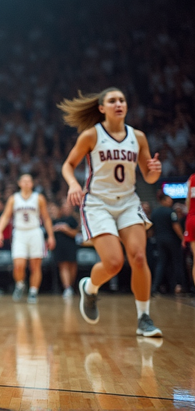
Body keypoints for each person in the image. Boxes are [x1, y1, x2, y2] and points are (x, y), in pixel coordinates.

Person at [59, 88, 162, 337]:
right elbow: (68, 165)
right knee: (114, 263)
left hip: (128, 201)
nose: (119, 103)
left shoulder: (138, 137)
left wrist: (155, 171)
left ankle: (144, 317)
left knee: (138, 257)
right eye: (112, 100)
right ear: (102, 108)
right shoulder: (91, 135)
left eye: (122, 100)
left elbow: (148, 175)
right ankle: (90, 288)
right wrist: (73, 183)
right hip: (97, 203)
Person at [0, 174, 56, 303]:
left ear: (32, 184)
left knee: (35, 266)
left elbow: (46, 218)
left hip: (35, 232)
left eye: (29, 181)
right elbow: (5, 216)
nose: (27, 183)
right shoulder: (13, 199)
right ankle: (20, 285)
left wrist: (50, 236)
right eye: (24, 181)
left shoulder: (38, 198)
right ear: (19, 183)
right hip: (19, 233)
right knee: (18, 265)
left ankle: (33, 291)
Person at [150, 193, 184, 295]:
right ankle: (180, 286)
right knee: (177, 262)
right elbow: (176, 226)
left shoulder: (154, 212)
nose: (171, 201)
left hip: (159, 240)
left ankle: (155, 287)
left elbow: (152, 228)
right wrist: (183, 238)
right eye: (169, 199)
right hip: (172, 240)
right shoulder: (171, 212)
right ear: (164, 200)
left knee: (161, 263)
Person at [51, 200, 81, 299]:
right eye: (64, 206)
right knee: (63, 266)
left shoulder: (74, 219)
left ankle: (71, 286)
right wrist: (55, 229)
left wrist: (66, 229)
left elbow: (76, 233)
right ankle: (67, 288)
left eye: (68, 206)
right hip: (59, 246)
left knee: (72, 266)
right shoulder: (55, 220)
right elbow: (49, 232)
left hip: (71, 245)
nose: (66, 208)